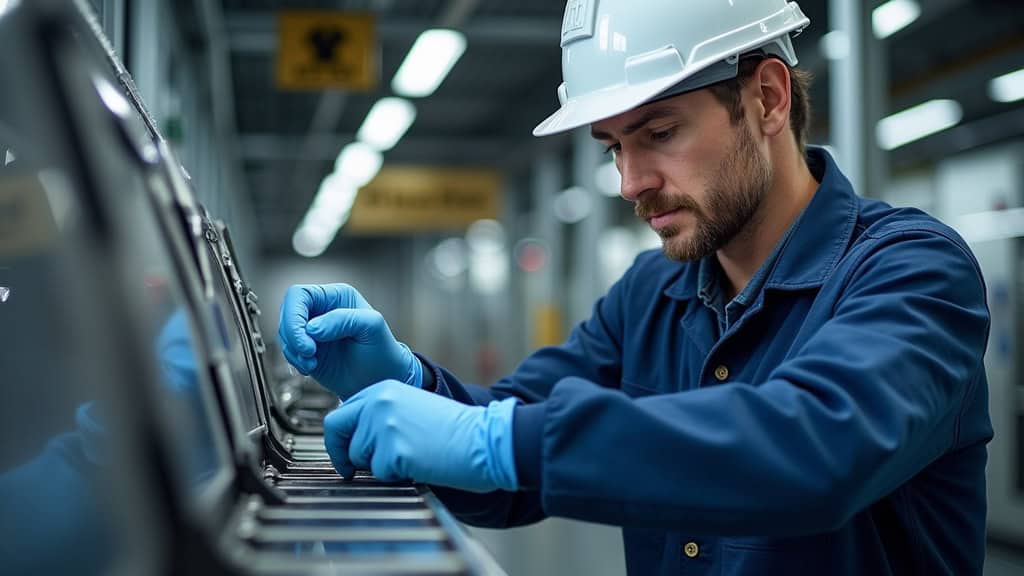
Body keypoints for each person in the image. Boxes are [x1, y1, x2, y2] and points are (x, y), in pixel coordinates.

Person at [278, 0, 993, 573]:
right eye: (616, 147)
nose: (630, 182)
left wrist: (498, 439)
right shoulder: (653, 291)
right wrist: (405, 382)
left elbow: (815, 452)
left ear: (768, 99)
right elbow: (512, 449)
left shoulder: (913, 271)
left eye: (658, 132)